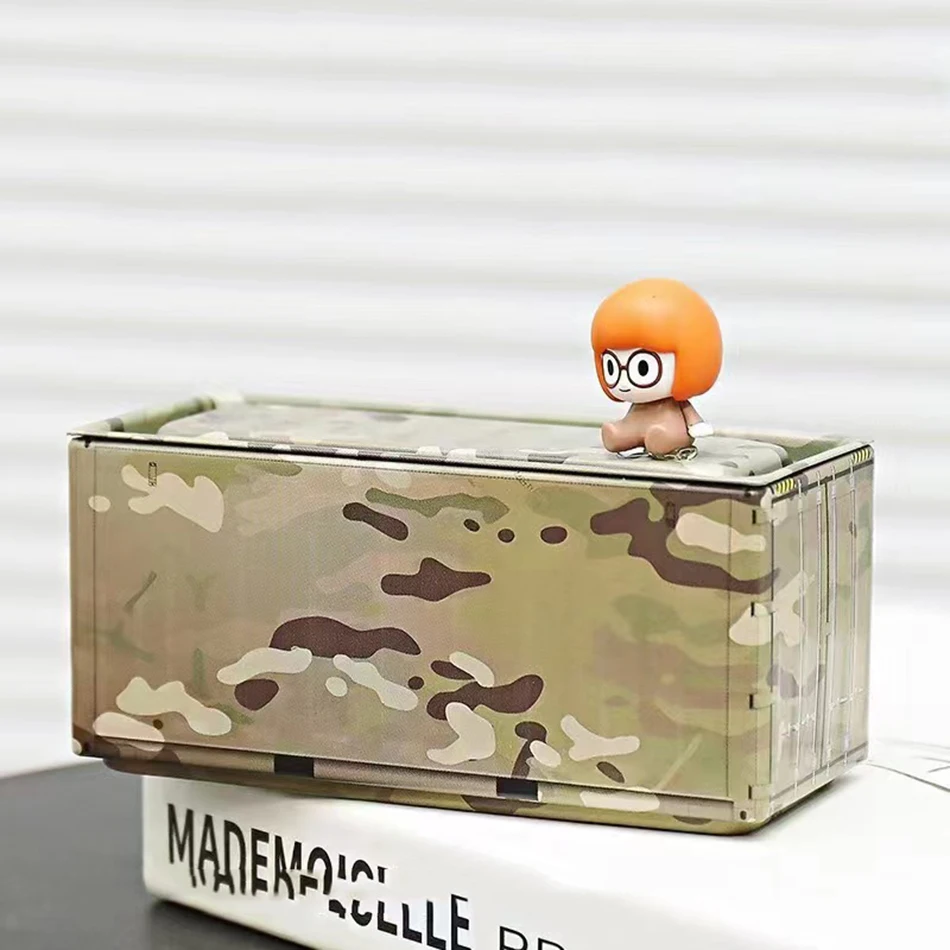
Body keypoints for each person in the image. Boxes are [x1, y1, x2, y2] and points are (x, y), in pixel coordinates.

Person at [591, 278, 722, 457]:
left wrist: (696, 425)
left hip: (667, 428)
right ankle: (620, 436)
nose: (624, 382)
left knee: (662, 434)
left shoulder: (676, 404)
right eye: (611, 367)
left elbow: (689, 414)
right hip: (634, 423)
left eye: (642, 367)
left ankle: (662, 440)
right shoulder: (637, 405)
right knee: (624, 430)